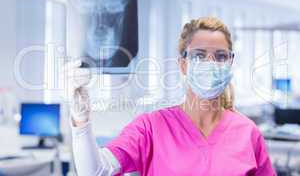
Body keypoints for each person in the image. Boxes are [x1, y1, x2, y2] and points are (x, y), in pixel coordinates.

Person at [65, 17, 277, 176]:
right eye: (199, 56)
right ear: (183, 64)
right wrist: (81, 121)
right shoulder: (151, 128)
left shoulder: (247, 133)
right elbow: (95, 171)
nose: (210, 64)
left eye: (220, 56)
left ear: (230, 63)